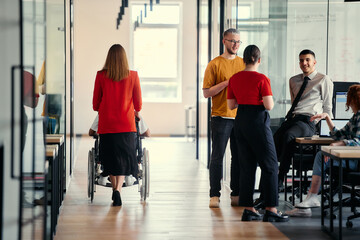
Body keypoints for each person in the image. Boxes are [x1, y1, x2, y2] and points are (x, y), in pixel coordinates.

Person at [227, 45, 289, 222]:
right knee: (270, 165)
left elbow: (231, 105)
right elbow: (269, 105)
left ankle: (249, 209)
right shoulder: (262, 79)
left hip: (240, 122)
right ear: (259, 60)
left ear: (244, 59)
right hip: (257, 121)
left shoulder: (234, 78)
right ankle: (271, 209)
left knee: (246, 166)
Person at [286, 84, 360, 217]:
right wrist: (327, 118)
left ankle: (312, 197)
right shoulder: (356, 117)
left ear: (353, 100)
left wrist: (338, 145)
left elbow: (358, 142)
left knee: (321, 155)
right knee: (323, 154)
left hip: (356, 161)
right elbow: (339, 135)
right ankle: (311, 198)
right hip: (352, 159)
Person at [274, 49, 334, 191]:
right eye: (301, 60)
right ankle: (268, 182)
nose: (304, 63)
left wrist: (330, 131)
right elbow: (295, 103)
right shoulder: (293, 80)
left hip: (309, 120)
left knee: (289, 136)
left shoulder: (323, 79)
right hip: (293, 119)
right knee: (272, 140)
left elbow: (327, 107)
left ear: (314, 62)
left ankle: (279, 180)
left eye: (307, 60)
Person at [92, 44, 142, 206]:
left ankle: (115, 189)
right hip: (126, 125)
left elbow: (95, 104)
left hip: (107, 124)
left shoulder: (100, 76)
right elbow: (139, 104)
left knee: (111, 158)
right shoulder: (133, 76)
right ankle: (118, 190)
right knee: (121, 159)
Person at [202, 28, 246, 208]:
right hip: (220, 116)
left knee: (238, 157)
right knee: (217, 157)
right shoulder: (214, 64)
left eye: (238, 42)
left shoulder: (244, 63)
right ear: (224, 41)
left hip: (241, 116)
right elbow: (206, 93)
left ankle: (236, 193)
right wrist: (227, 83)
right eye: (232, 41)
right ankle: (214, 194)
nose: (235, 45)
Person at [88, 114, 150, 187]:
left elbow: (91, 132)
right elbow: (147, 133)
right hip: (127, 152)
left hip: (108, 154)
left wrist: (99, 133)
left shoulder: (103, 113)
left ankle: (105, 172)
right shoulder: (134, 115)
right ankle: (128, 174)